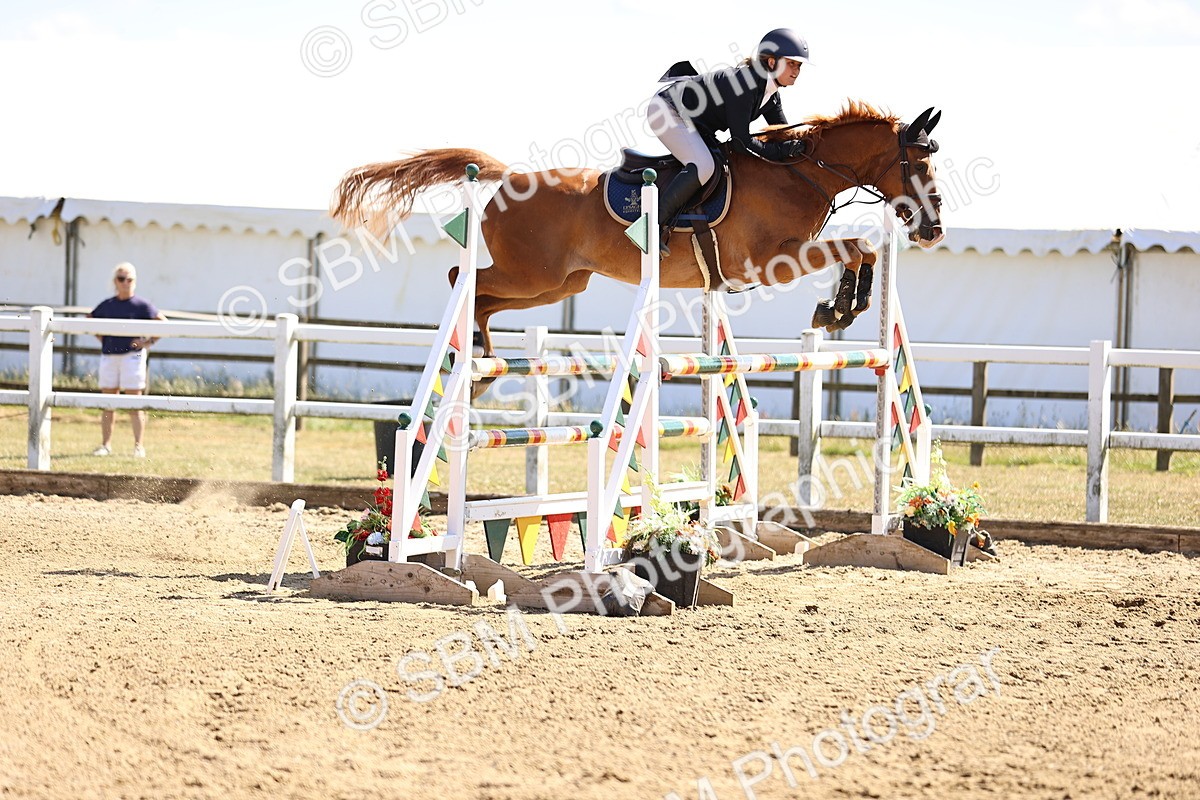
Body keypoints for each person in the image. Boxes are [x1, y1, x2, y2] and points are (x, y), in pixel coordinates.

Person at [647, 28, 811, 254]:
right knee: (704, 166)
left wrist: (809, 146)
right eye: (791, 63)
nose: (796, 71)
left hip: (695, 121)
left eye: (799, 66)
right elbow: (740, 143)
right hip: (667, 110)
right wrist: (782, 151)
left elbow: (784, 134)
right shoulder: (745, 83)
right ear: (771, 62)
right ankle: (649, 226)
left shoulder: (771, 96)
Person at [88, 262, 167, 457]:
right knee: (108, 401)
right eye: (122, 279)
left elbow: (162, 322)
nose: (126, 283)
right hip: (109, 356)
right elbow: (89, 319)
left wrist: (148, 343)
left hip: (132, 357)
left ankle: (139, 446)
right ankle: (106, 444)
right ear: (115, 281)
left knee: (134, 400)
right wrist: (102, 337)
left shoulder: (142, 305)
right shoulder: (107, 305)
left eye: (130, 279)